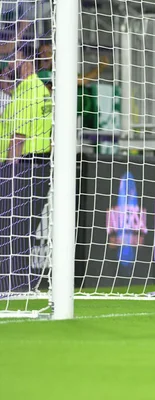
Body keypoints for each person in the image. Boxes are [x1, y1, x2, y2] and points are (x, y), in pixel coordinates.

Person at [0, 50, 52, 293]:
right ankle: (20, 283)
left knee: (12, 229)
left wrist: (9, 172)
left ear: (27, 64)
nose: (10, 65)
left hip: (20, 167)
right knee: (24, 231)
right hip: (37, 166)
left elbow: (18, 138)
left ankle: (12, 284)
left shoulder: (29, 93)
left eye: (14, 60)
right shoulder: (36, 89)